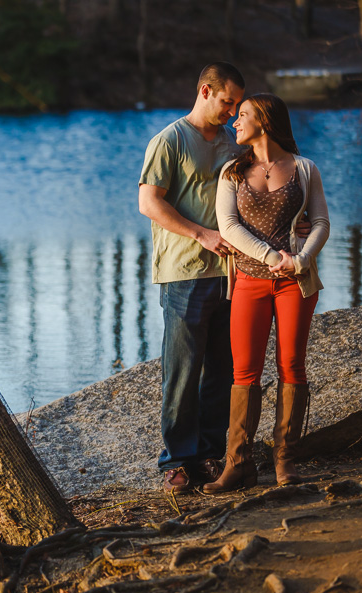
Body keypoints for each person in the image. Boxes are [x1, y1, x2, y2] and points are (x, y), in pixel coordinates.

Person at [203, 93, 329, 493]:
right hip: (249, 282)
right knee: (245, 372)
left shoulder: (305, 169)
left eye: (242, 115)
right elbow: (228, 226)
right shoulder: (232, 172)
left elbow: (322, 222)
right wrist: (273, 254)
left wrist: (300, 259)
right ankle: (238, 463)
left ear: (266, 121)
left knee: (292, 366)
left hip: (296, 282)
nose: (234, 122)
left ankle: (285, 462)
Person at [138, 63, 245, 494]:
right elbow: (149, 203)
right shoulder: (170, 140)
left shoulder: (230, 143)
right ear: (206, 90)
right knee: (183, 370)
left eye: (238, 104)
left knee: (222, 369)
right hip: (185, 273)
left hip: (231, 274)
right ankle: (176, 461)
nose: (233, 111)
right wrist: (202, 234)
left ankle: (209, 455)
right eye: (228, 102)